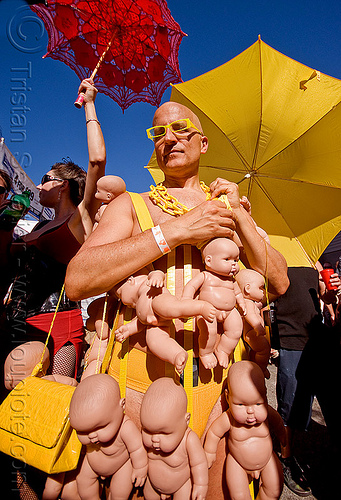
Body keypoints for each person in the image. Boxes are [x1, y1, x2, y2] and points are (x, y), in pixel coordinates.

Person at [65, 101, 289, 498]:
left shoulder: (230, 210)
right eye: (157, 133)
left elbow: (278, 281)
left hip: (218, 388)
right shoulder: (131, 205)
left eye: (180, 128)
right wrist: (176, 230)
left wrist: (238, 216)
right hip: (140, 390)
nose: (168, 138)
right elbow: (78, 281)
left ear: (203, 144)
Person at [1, 78, 106, 382]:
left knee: (54, 395)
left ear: (63, 185)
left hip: (59, 322)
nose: (38, 184)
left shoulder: (80, 217)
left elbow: (97, 161)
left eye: (46, 178)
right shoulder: (38, 225)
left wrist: (90, 104)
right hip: (19, 321)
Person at [274, 264, 341, 496]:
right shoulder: (274, 256)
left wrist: (332, 290)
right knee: (289, 405)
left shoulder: (312, 259)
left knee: (331, 399)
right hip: (291, 339)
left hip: (319, 339)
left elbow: (325, 296)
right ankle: (287, 457)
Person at [204, 361, 286, 500]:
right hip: (238, 464)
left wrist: (283, 439)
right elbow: (214, 432)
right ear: (227, 397)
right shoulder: (229, 418)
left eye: (258, 403)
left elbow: (278, 423)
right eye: (241, 404)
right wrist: (209, 451)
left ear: (265, 396)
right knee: (239, 496)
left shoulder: (267, 412)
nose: (250, 411)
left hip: (267, 459)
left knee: (275, 489)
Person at [114, 269, 217, 374]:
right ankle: (177, 354)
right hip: (152, 324)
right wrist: (128, 329)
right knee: (154, 341)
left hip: (158, 300)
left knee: (175, 308)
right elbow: (139, 323)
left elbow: (157, 273)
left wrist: (157, 278)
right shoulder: (138, 300)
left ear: (130, 280)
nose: (122, 301)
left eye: (120, 294)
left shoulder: (146, 282)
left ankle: (201, 307)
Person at [69, 373, 148, 500]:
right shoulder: (94, 426)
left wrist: (140, 468)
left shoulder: (125, 427)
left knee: (120, 492)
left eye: (100, 427)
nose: (92, 435)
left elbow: (137, 448)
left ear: (121, 405)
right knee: (83, 482)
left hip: (121, 466)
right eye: (83, 431)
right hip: (91, 464)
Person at [182, 237, 246, 370]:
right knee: (208, 332)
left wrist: (242, 303)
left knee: (236, 329)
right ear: (209, 261)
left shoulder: (232, 281)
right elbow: (191, 287)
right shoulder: (206, 276)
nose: (234, 264)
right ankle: (205, 353)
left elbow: (238, 294)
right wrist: (186, 300)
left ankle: (223, 350)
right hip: (208, 310)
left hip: (229, 311)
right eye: (227, 259)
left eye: (236, 260)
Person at [140, 377, 208, 499]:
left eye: (164, 433)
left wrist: (201, 484)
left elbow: (199, 463)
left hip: (181, 486)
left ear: (186, 420)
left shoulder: (188, 439)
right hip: (152, 485)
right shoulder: (150, 437)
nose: (154, 439)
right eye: (148, 431)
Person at [235, 268, 271, 376]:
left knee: (255, 352)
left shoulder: (249, 302)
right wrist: (257, 326)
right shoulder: (248, 302)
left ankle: (254, 364)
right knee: (264, 350)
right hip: (252, 332)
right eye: (260, 288)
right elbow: (249, 315)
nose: (263, 291)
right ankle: (261, 368)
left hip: (252, 333)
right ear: (248, 289)